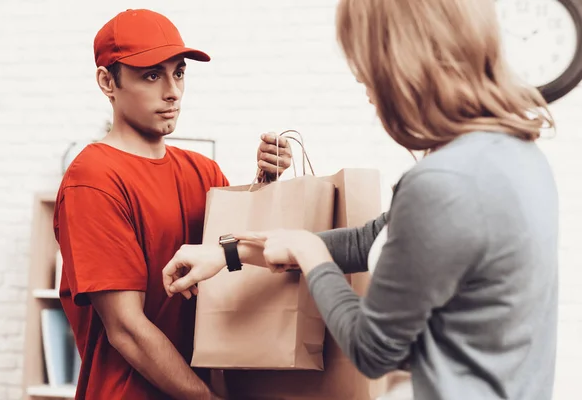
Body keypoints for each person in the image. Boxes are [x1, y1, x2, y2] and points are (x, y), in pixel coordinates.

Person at [162, 0, 559, 399]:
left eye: (364, 60)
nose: (361, 80)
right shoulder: (516, 155)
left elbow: (374, 350)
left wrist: (312, 255)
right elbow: (364, 242)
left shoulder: (442, 183)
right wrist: (229, 252)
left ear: (404, 62)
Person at [53, 9, 291, 400]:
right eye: (151, 75)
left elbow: (237, 265)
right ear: (106, 81)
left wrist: (267, 181)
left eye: (178, 73)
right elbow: (126, 329)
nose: (173, 91)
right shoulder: (93, 179)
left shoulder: (204, 171)